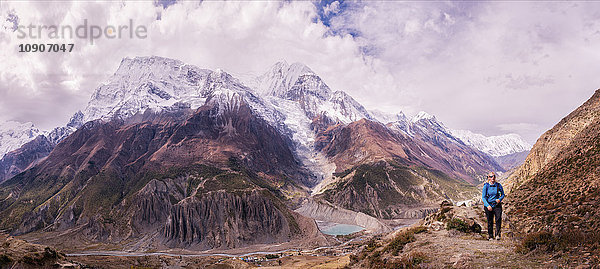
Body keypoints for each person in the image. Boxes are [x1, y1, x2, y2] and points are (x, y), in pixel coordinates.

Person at [482, 172, 505, 240]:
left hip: (497, 205)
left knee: (498, 219)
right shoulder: (486, 186)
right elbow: (483, 197)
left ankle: (498, 235)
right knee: (490, 221)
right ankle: (490, 236)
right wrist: (487, 205)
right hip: (489, 205)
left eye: (494, 176)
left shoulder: (498, 185)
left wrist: (499, 199)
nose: (493, 178)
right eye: (491, 177)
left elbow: (503, 194)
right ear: (488, 178)